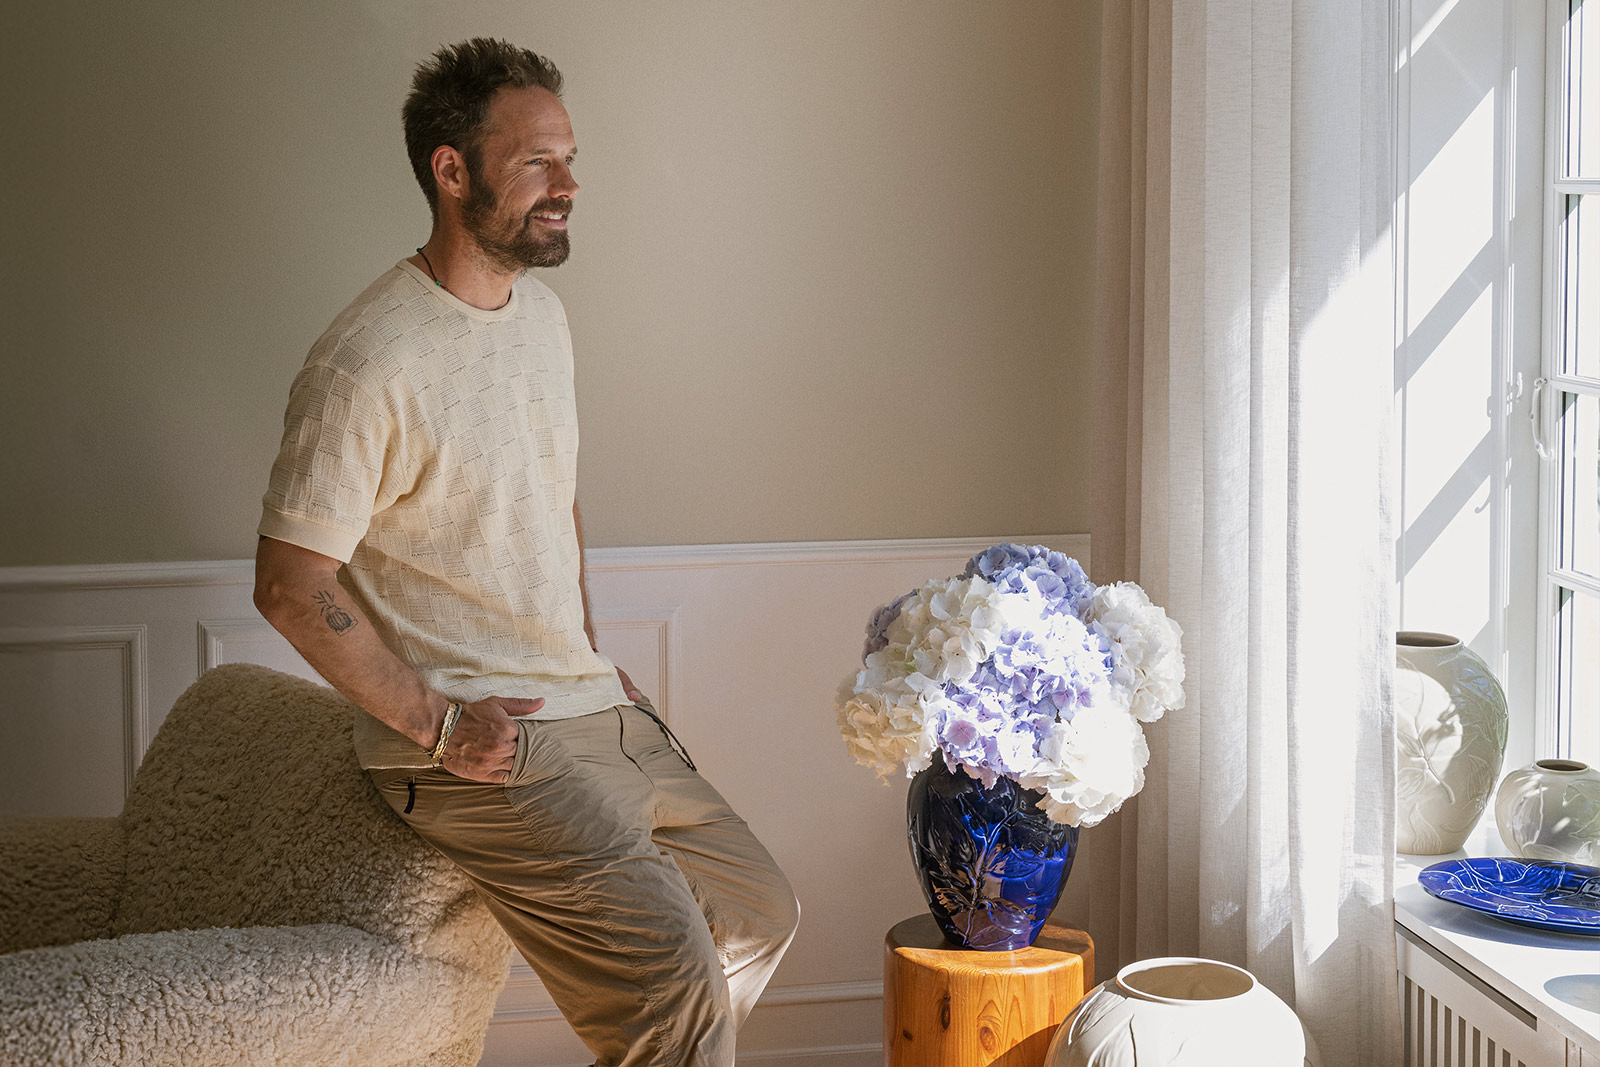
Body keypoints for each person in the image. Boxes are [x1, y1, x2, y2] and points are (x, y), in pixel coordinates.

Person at [253, 38, 798, 1067]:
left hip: (588, 699)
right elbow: (290, 584)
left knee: (758, 909)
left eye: (570, 158)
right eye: (539, 161)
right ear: (452, 170)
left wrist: (582, 647)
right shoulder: (365, 362)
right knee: (676, 981)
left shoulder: (542, 319)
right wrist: (439, 725)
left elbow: (552, 498)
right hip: (480, 731)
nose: (569, 185)